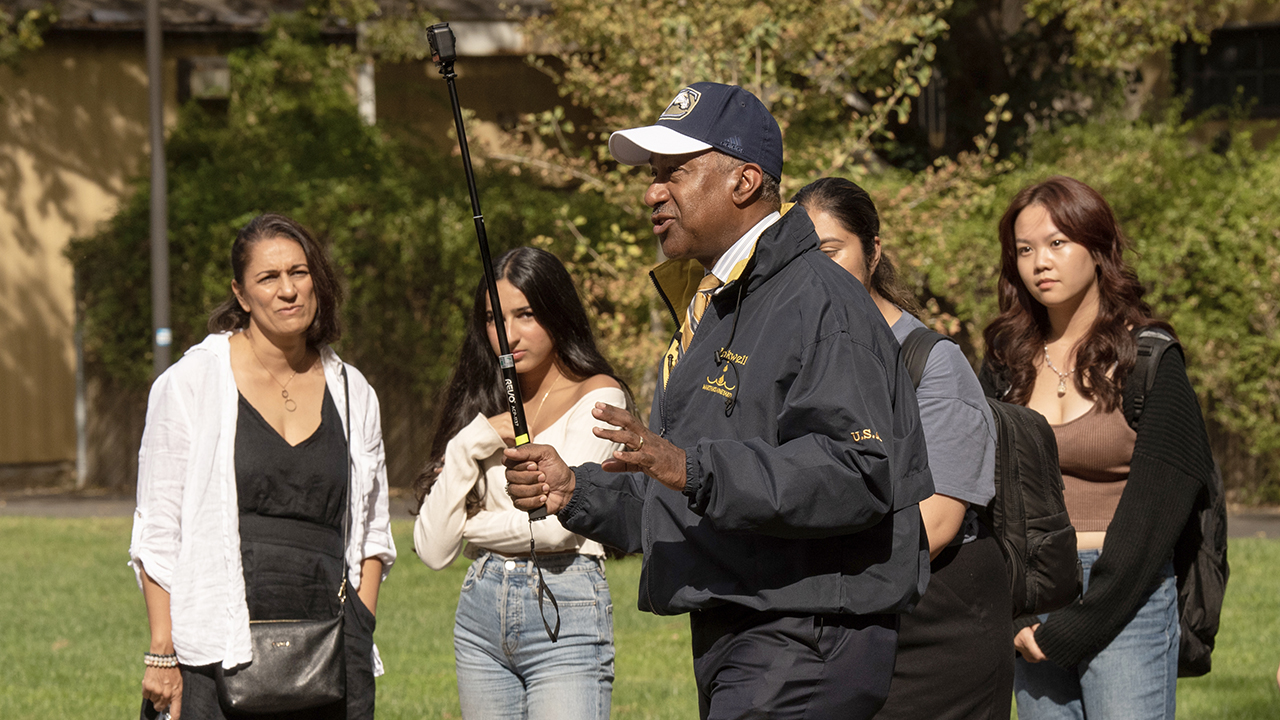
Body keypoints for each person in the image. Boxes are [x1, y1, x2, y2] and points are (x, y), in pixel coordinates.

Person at [506, 82, 935, 720]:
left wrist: (692, 468)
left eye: (674, 172)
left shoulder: (818, 300)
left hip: (807, 637)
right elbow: (691, 493)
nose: (652, 192)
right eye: (651, 176)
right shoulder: (714, 306)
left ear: (745, 181)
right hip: (738, 629)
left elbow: (859, 471)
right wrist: (577, 493)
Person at [130, 214, 396, 720]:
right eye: (268, 278)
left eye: (299, 272)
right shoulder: (190, 383)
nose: (288, 290)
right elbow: (158, 531)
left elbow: (372, 530)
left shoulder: (352, 389)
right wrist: (162, 651)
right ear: (241, 293)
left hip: (328, 648)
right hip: (214, 647)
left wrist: (360, 622)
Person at [980, 176, 1213, 719]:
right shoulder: (1004, 362)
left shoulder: (1149, 359)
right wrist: (1015, 612)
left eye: (1058, 243)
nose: (1041, 261)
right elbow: (982, 493)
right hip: (1032, 602)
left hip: (1127, 597)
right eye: (1024, 249)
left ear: (1098, 247)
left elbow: (1159, 513)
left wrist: (1086, 620)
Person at [792, 177, 1012, 720]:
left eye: (829, 250)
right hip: (837, 625)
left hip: (940, 625)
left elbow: (935, 525)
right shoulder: (794, 360)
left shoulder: (932, 363)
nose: (814, 268)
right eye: (799, 254)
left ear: (873, 251)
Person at [413, 247, 628, 720]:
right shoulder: (483, 404)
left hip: (565, 602)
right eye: (493, 318)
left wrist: (470, 526)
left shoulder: (599, 397)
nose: (507, 335)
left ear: (556, 311)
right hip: (479, 614)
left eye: (525, 314)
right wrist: (469, 443)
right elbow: (431, 551)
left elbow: (556, 529)